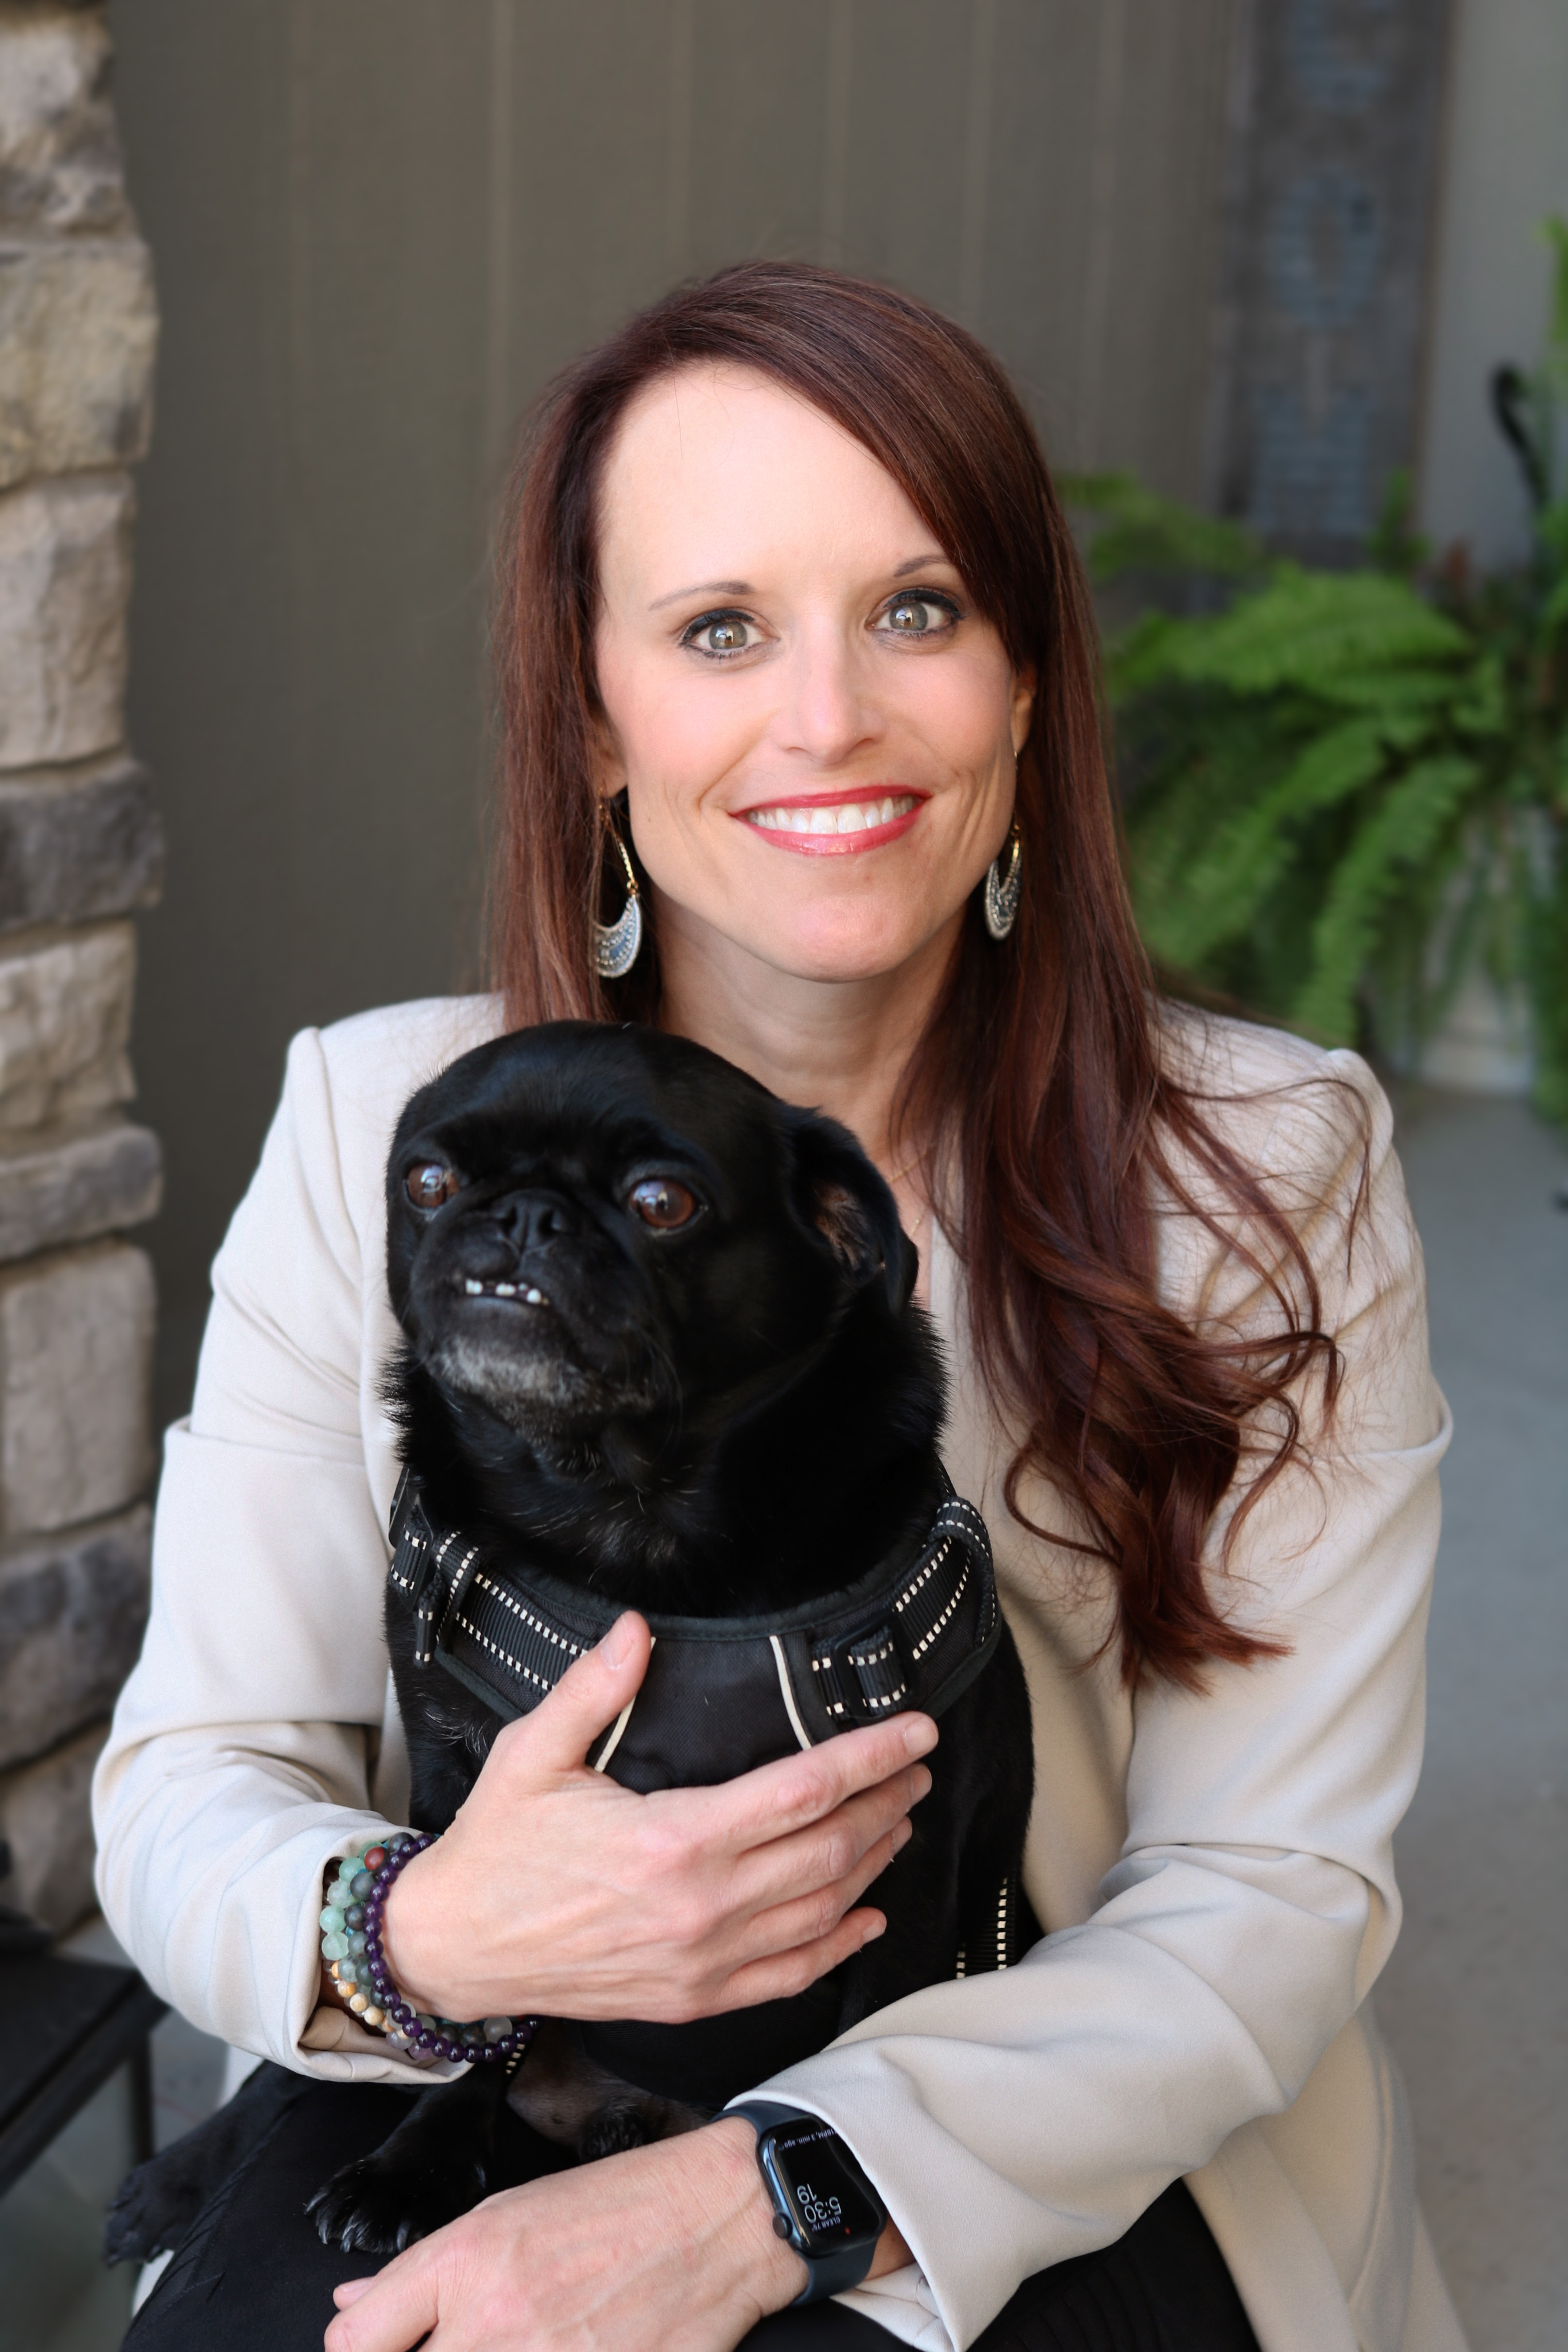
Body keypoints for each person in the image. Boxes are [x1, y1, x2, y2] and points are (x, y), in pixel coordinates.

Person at [95, 262, 1469, 2352]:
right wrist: (418, 1934)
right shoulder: (380, 1115)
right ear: (592, 715)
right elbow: (196, 1778)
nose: (828, 718)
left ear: (1025, 683)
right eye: (719, 628)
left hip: (1028, 2100)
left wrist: (769, 2196)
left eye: (916, 610)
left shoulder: (1268, 1167)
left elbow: (1269, 1893)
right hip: (472, 2049)